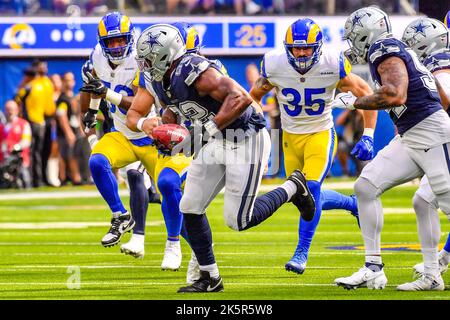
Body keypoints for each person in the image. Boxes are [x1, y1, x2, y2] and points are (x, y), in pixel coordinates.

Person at [133, 23, 317, 293]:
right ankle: (210, 277)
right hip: (214, 139)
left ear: (166, 55)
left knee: (238, 221)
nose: (145, 65)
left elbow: (240, 98)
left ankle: (293, 187)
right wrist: (166, 131)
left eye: (149, 59)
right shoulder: (160, 80)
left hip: (245, 138)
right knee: (190, 206)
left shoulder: (195, 71)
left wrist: (203, 131)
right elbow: (173, 110)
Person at [332, 7, 450, 291]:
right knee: (366, 186)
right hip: (412, 134)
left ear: (365, 34)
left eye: (354, 37)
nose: (352, 44)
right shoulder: (396, 50)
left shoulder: (383, 48)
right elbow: (440, 98)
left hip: (431, 133)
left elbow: (396, 94)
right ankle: (377, 269)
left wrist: (354, 103)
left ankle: (433, 271)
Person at [249, 18, 377, 275]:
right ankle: (353, 205)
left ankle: (301, 252)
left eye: (306, 47)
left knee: (311, 188)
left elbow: (366, 92)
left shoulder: (333, 63)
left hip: (319, 133)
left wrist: (369, 134)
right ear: (288, 48)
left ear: (317, 46)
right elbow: (253, 97)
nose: (301, 52)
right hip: (290, 136)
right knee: (302, 198)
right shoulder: (274, 64)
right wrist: (256, 127)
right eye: (296, 48)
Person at [80, 12, 191, 271]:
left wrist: (107, 95)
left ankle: (181, 245)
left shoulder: (143, 57)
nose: (117, 46)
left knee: (171, 193)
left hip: (154, 136)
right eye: (111, 41)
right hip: (124, 134)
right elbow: (94, 85)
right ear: (102, 42)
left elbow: (141, 104)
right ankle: (121, 215)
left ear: (130, 39)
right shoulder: (97, 56)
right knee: (97, 161)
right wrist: (93, 109)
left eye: (121, 40)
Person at [402, 17, 450, 283]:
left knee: (428, 199)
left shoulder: (440, 61)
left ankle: (437, 266)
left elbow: (445, 97)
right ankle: (439, 263)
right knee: (424, 200)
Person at [15, 67, 46, 188]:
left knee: (31, 152)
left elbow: (17, 99)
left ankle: (33, 180)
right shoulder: (43, 86)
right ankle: (39, 180)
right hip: (41, 121)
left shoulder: (29, 87)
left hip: (31, 122)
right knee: (38, 152)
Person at [56, 72, 82, 185]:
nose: (69, 83)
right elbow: (62, 116)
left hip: (75, 129)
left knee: (75, 154)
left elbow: (77, 115)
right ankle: (65, 179)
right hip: (65, 132)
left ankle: (76, 177)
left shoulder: (73, 97)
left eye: (71, 80)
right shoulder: (62, 99)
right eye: (66, 80)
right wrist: (68, 132)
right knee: (65, 155)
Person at [0, 100, 32, 188]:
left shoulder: (23, 124)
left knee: (22, 174)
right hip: (3, 159)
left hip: (19, 158)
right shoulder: (2, 127)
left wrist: (16, 147)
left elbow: (26, 141)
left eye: (12, 109)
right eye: (8, 109)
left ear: (17, 110)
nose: (10, 112)